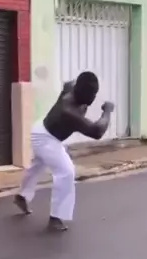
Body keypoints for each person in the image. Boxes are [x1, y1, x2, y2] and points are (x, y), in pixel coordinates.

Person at [14, 71, 115, 231]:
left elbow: (70, 83)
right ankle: (56, 217)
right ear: (80, 92)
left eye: (94, 93)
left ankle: (22, 196)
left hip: (42, 131)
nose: (93, 98)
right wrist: (107, 111)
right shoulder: (68, 110)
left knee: (37, 165)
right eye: (90, 94)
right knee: (66, 172)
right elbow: (97, 132)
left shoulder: (72, 88)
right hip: (46, 138)